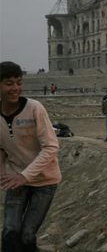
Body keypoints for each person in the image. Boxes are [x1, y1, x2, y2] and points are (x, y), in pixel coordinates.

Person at [0, 61, 62, 252]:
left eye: (19, 82)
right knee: (10, 230)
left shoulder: (34, 108)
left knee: (27, 235)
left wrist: (25, 175)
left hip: (45, 181)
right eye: (9, 83)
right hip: (16, 178)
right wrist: (3, 173)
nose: (16, 88)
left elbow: (51, 147)